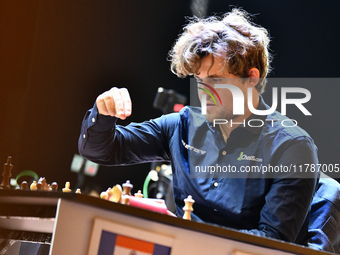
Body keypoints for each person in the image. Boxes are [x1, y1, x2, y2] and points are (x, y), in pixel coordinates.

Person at [78, 9, 319, 245]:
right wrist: (104, 113)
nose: (204, 93)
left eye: (216, 80)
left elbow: (271, 244)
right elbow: (100, 150)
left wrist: (188, 240)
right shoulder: (181, 126)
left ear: (251, 78)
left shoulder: (292, 147)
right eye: (200, 81)